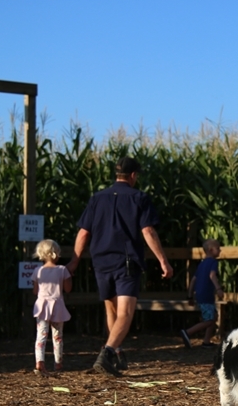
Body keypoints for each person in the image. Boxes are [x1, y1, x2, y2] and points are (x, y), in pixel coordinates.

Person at [66, 156, 173, 376]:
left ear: (117, 174)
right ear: (133, 175)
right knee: (125, 313)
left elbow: (83, 233)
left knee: (111, 309)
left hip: (100, 261)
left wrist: (74, 262)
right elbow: (148, 231)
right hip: (126, 262)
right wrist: (163, 261)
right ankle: (106, 353)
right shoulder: (139, 198)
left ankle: (116, 352)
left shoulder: (97, 198)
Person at [32, 239, 72, 375]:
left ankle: (39, 361)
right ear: (56, 253)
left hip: (42, 307)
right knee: (57, 336)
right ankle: (58, 363)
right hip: (57, 307)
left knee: (41, 335)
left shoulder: (37, 271)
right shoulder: (62, 270)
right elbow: (68, 289)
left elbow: (35, 291)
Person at [180, 238, 223, 348]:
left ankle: (206, 341)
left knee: (213, 316)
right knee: (209, 320)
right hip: (206, 295)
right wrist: (218, 289)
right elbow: (212, 275)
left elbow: (194, 280)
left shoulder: (201, 264)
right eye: (218, 248)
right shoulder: (213, 262)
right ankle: (187, 332)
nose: (220, 250)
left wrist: (190, 296)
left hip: (200, 295)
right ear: (211, 250)